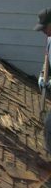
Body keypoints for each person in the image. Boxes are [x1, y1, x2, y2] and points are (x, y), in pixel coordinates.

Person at [34, 8, 51, 153]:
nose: (43, 31)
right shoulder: (50, 38)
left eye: (45, 27)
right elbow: (47, 60)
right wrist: (42, 73)